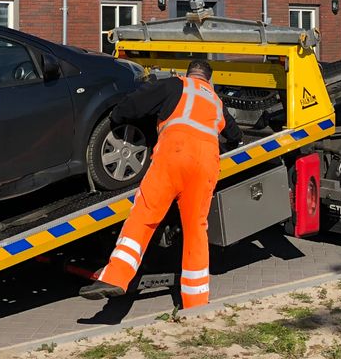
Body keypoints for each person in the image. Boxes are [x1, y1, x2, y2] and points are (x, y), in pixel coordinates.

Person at [80, 58, 242, 309]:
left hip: (173, 157)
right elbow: (234, 135)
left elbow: (135, 104)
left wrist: (117, 114)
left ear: (189, 74)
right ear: (209, 80)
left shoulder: (175, 86)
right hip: (206, 165)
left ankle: (116, 277)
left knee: (144, 217)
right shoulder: (216, 100)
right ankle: (196, 301)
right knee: (196, 230)